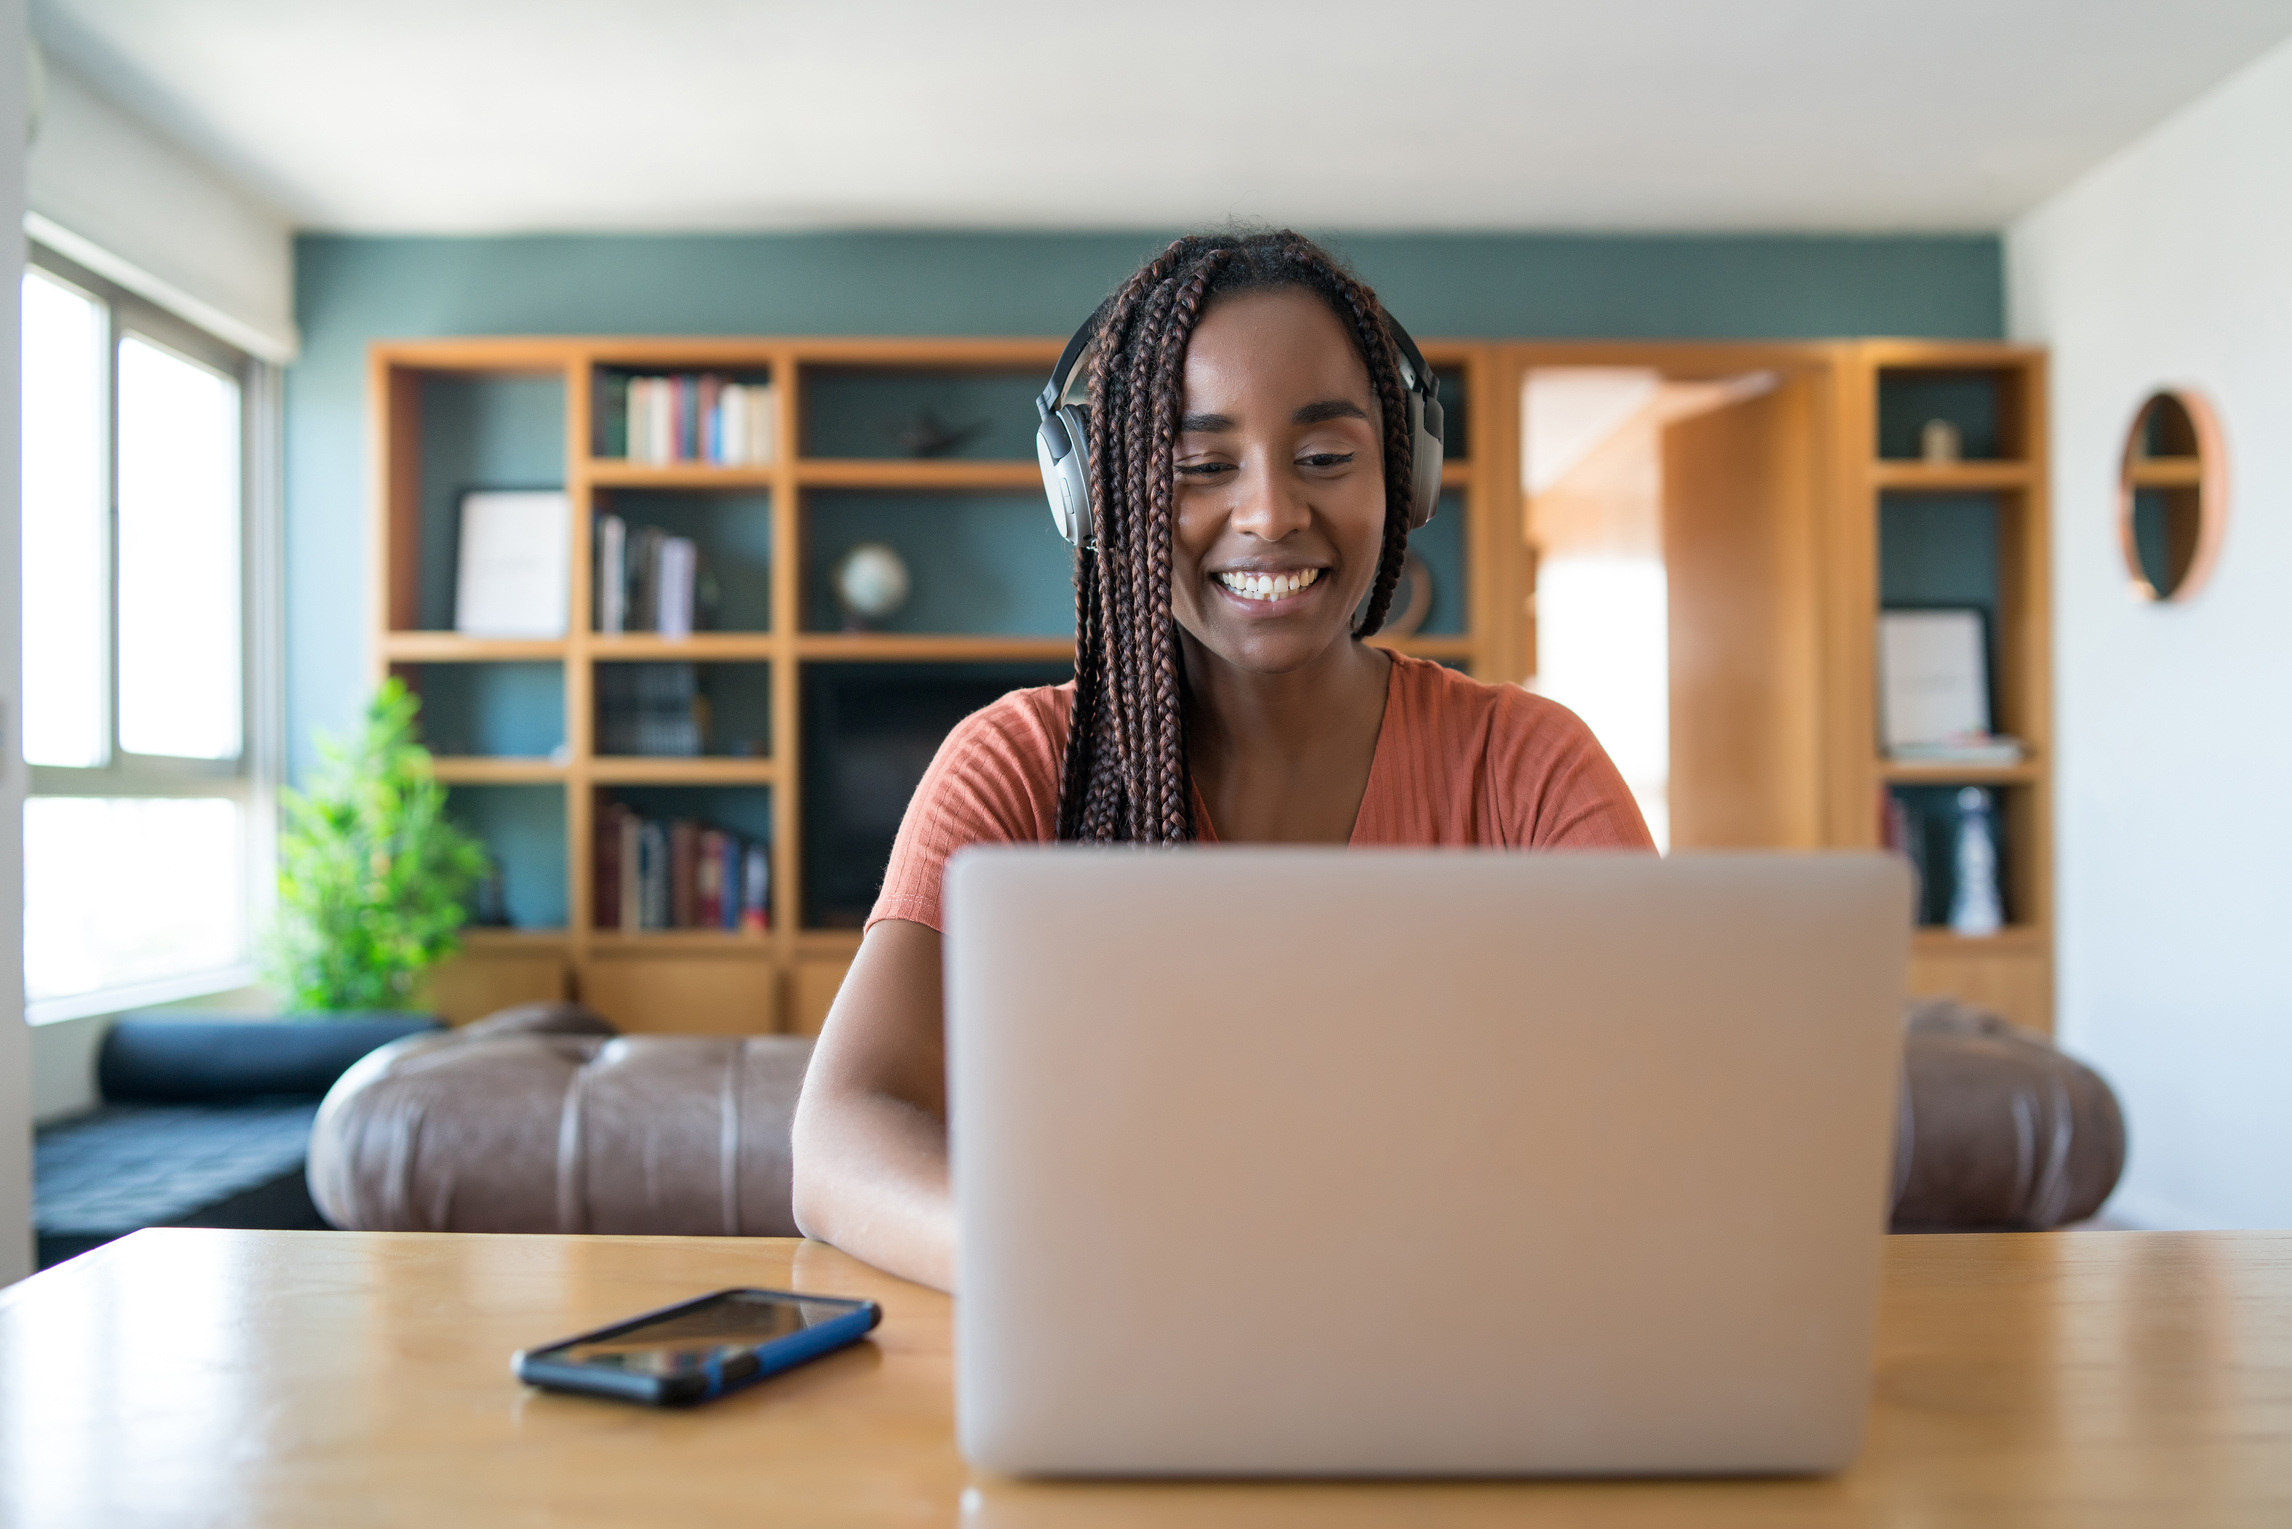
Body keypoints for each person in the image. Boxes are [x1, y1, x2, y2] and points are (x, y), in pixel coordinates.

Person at [790, 230, 1652, 1291]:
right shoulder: (1015, 762)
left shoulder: (1529, 766)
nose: (1271, 513)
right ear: (1101, 499)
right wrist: (1069, 1265)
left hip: (1452, 1334)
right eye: (1199, 465)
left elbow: (1660, 1109)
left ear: (1406, 477)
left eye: (1326, 457)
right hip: (1108, 1338)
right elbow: (840, 1136)